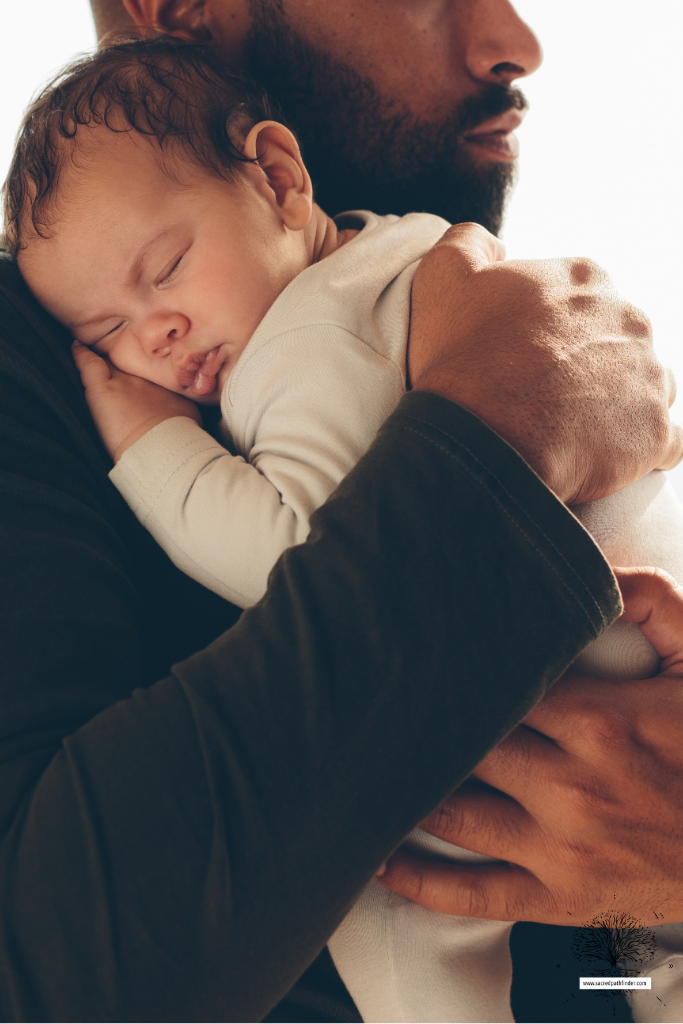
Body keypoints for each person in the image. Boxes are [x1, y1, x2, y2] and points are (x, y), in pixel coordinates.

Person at [0, 3, 679, 1022]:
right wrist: (507, 417)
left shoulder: (414, 289)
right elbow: (59, 982)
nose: (512, 39)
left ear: (276, 179)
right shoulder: (46, 373)